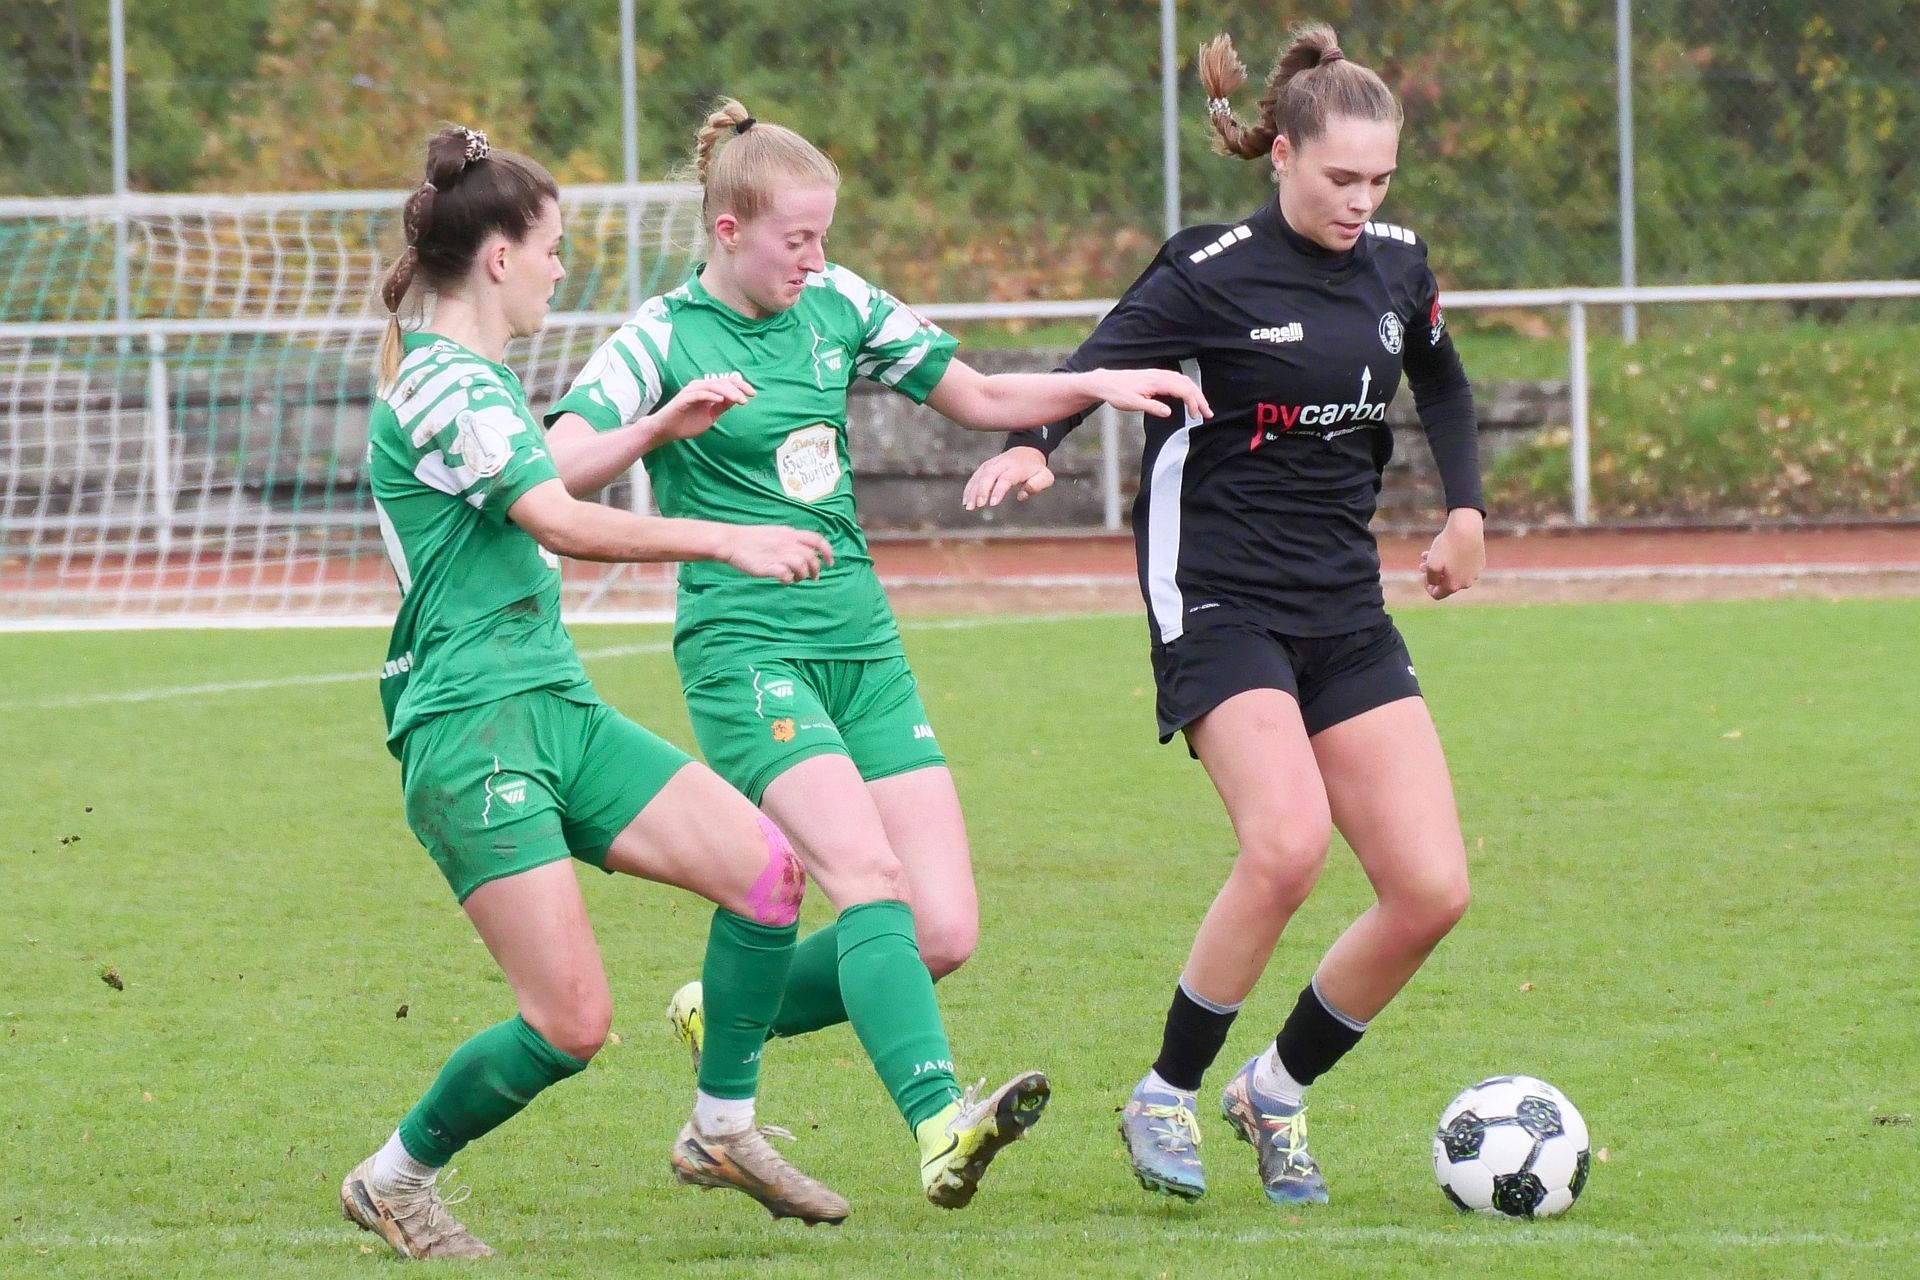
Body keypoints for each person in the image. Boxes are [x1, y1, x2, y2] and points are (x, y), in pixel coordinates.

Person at [542, 99, 1210, 1208]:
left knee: (941, 929)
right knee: (865, 877)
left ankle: (730, 1012)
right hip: (747, 649)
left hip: (863, 644)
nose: (815, 257)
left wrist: (1093, 386)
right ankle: (941, 1123)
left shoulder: (840, 300)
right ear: (727, 230)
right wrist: (659, 427)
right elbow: (558, 469)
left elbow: (978, 396)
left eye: (823, 235)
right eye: (795, 239)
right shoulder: (659, 337)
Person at [964, 22, 1486, 1206]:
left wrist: (1466, 511)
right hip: (1215, 592)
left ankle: (1275, 1088)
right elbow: (1097, 360)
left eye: (1381, 179)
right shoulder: (1210, 269)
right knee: (1288, 842)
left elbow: (1444, 381)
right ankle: (1166, 1090)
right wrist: (1034, 443)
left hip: (1342, 602)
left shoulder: (1399, 265)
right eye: (1341, 177)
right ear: (1282, 155)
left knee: (1431, 888)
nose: (1362, 201)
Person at [340, 125, 854, 1260]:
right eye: (553, 248)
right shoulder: (439, 383)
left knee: (766, 874)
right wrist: (724, 536)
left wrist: (655, 427)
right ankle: (394, 1178)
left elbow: (544, 480)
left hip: (554, 706)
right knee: (571, 1023)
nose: (561, 269)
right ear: (499, 258)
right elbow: (557, 521)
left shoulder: (475, 381)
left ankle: (722, 1125)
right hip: (472, 728)